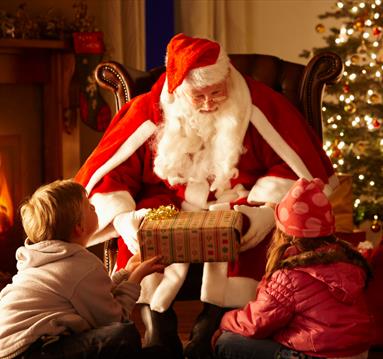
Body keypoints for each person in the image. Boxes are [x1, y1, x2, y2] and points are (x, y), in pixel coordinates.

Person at [75, 33, 338, 358]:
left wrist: (259, 208)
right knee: (142, 239)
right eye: (200, 96)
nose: (210, 102)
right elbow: (109, 173)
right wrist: (127, 218)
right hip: (166, 205)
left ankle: (212, 328)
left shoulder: (257, 104)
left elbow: (293, 168)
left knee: (254, 231)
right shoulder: (149, 110)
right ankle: (159, 328)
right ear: (180, 93)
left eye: (217, 92)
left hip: (236, 200)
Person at [0, 179, 166, 359]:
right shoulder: (81, 265)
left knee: (155, 352)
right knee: (123, 335)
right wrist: (136, 278)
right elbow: (115, 318)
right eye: (90, 207)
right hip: (28, 351)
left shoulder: (44, 256)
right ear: (79, 227)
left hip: (12, 348)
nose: (95, 208)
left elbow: (90, 293)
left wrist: (126, 272)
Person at [213, 178, 372, 359]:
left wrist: (225, 320)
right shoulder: (349, 260)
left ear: (285, 234)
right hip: (357, 353)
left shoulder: (290, 276)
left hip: (321, 355)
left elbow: (257, 322)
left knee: (227, 342)